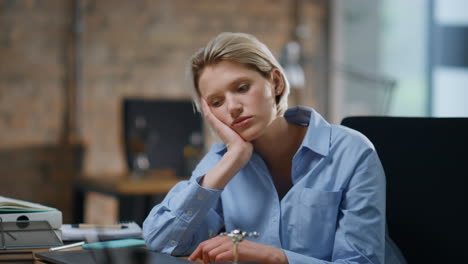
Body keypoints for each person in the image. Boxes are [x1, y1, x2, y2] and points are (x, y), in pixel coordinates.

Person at [143, 32, 405, 264]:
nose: (233, 107)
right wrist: (230, 163)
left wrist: (269, 256)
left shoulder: (352, 152)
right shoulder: (222, 163)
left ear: (276, 82)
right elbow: (161, 240)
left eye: (242, 88)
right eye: (217, 102)